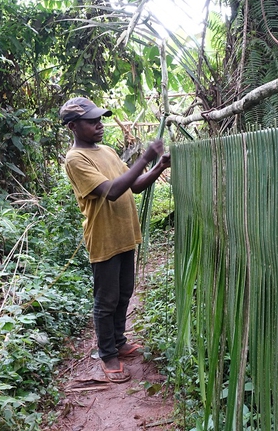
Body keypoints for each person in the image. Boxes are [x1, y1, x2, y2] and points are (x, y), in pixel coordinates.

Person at [59, 96, 171, 383]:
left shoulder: (107, 151)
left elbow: (133, 186)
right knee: (106, 299)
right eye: (91, 121)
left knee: (124, 292)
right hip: (104, 238)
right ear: (73, 126)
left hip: (124, 234)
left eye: (100, 119)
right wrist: (145, 156)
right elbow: (110, 191)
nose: (99, 125)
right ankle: (107, 353)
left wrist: (158, 166)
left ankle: (119, 342)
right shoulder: (76, 159)